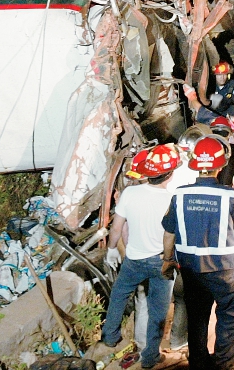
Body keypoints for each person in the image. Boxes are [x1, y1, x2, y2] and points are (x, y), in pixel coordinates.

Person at [162, 137, 234, 370]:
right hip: (225, 270)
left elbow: (169, 233)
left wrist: (167, 260)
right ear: (221, 166)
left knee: (197, 317)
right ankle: (223, 363)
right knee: (231, 311)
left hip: (191, 271)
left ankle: (198, 363)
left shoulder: (180, 195)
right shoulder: (229, 196)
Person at [101, 145, 182, 369]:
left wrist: (110, 250)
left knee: (119, 295)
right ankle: (150, 357)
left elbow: (116, 227)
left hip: (133, 259)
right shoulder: (172, 200)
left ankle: (109, 337)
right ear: (170, 174)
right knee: (158, 311)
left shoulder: (129, 193)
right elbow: (173, 235)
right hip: (161, 262)